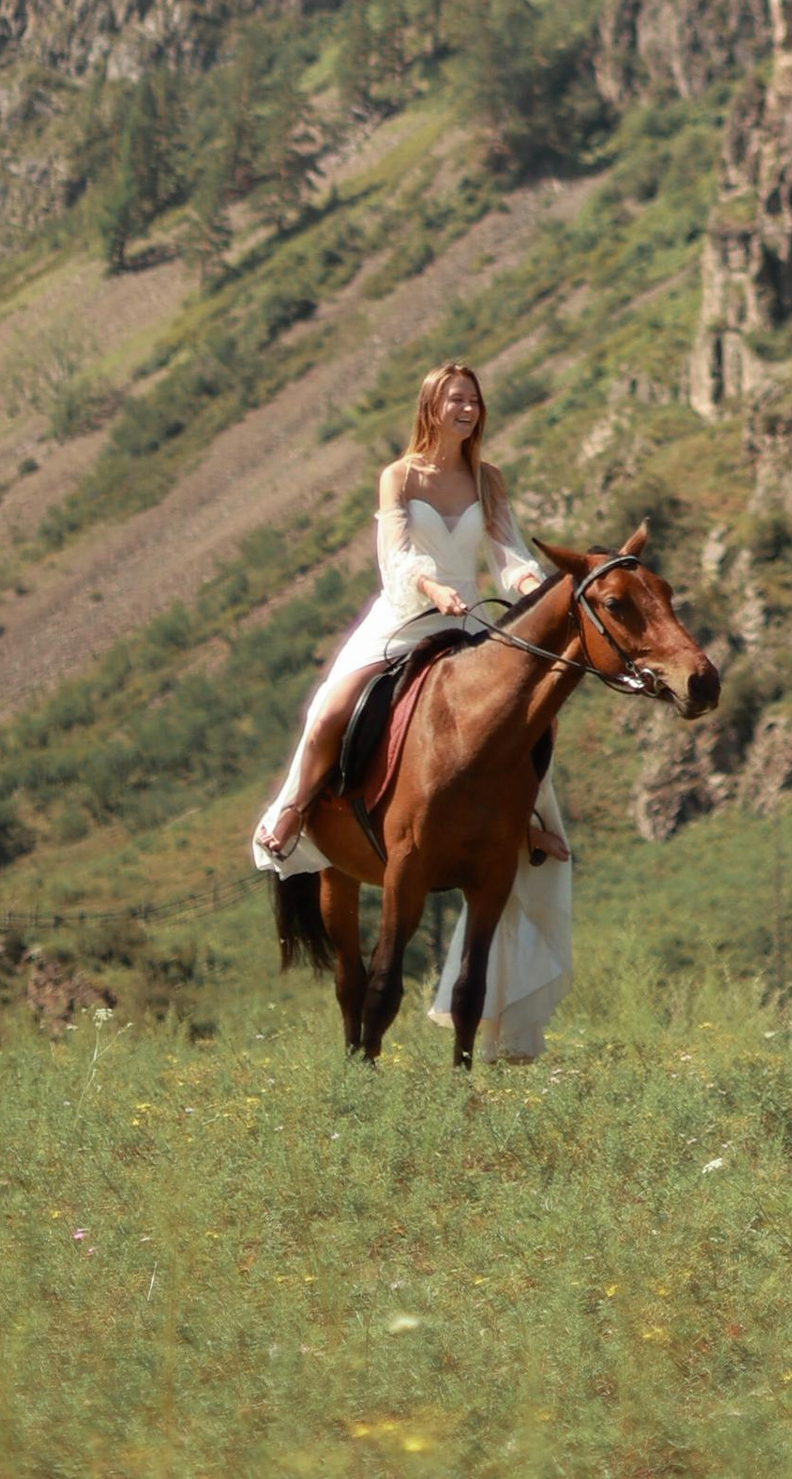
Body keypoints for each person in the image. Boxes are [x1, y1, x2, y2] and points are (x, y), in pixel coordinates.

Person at [252, 358, 573, 1060]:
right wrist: (430, 585)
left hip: (471, 625)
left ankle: (532, 823)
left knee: (527, 717)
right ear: (432, 406)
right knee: (333, 705)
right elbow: (395, 553)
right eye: (456, 399)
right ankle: (297, 806)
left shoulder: (488, 480)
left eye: (475, 399)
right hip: (408, 617)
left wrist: (525, 581)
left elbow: (508, 549)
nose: (468, 408)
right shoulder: (400, 477)